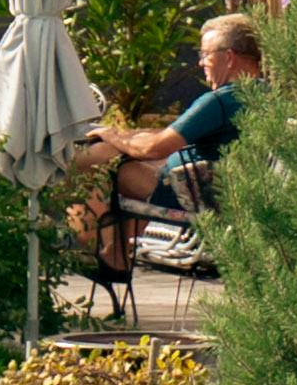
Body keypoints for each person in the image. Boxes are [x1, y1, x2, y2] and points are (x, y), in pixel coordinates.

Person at [92, 15, 259, 230]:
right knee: (120, 157)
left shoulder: (220, 101)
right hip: (227, 195)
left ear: (228, 57)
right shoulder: (262, 93)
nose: (200, 62)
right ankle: (116, 255)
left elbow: (153, 149)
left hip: (195, 200)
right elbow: (176, 133)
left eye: (205, 54)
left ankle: (104, 254)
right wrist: (128, 135)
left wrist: (111, 135)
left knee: (102, 169)